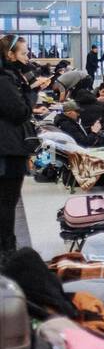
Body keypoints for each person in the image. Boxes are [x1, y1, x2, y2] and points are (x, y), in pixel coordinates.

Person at [0, 35, 35, 257]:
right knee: (7, 201)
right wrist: (32, 92)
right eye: (23, 53)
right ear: (9, 55)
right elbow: (19, 112)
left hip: (9, 146)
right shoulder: (4, 79)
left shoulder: (10, 77)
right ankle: (7, 250)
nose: (27, 57)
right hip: (8, 148)